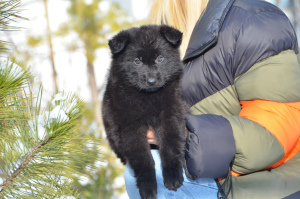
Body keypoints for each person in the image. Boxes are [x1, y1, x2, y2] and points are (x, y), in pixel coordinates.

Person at [124, 0, 300, 198]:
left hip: (263, 185)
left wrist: (183, 136)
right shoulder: (163, 38)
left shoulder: (255, 21)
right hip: (211, 176)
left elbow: (274, 133)